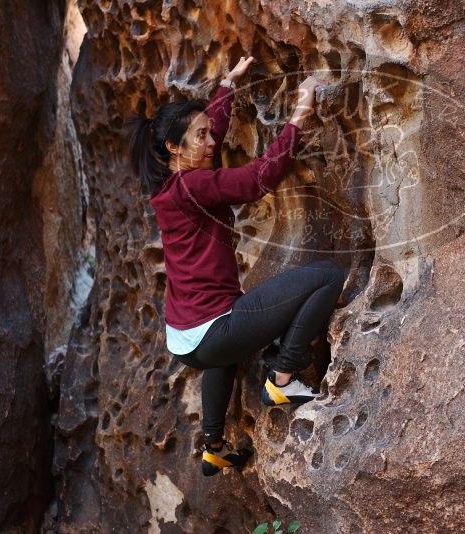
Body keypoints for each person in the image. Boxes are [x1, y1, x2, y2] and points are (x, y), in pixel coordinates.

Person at [126, 57, 345, 477]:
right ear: (174, 148)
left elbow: (213, 135)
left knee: (218, 357)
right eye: (199, 136)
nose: (211, 142)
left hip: (186, 339)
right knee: (328, 276)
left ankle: (213, 446)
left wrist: (227, 87)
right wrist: (300, 114)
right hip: (215, 330)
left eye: (208, 132)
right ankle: (282, 376)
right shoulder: (194, 185)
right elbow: (256, 181)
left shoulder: (170, 182)